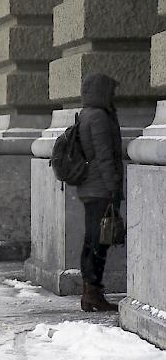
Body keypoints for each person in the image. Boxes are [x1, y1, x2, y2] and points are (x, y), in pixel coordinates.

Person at [76, 73, 123, 312]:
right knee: (99, 241)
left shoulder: (86, 114)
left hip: (90, 187)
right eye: (111, 91)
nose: (114, 95)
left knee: (92, 239)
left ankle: (90, 291)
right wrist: (114, 187)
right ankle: (93, 292)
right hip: (100, 188)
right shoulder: (99, 117)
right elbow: (104, 156)